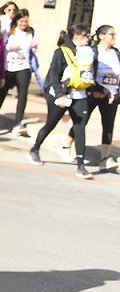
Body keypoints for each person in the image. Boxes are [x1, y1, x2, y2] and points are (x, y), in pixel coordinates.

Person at [29, 25, 97, 179]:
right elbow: (53, 74)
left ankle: (81, 166)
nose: (89, 39)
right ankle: (34, 149)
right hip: (60, 95)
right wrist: (59, 94)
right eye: (87, 35)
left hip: (79, 95)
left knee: (80, 128)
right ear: (78, 36)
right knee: (51, 124)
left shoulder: (88, 52)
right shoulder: (62, 51)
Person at [0, 9, 36, 136]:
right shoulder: (9, 31)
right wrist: (9, 47)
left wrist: (34, 46)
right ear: (16, 21)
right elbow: (1, 44)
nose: (24, 24)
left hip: (23, 67)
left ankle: (18, 123)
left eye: (26, 21)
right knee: (2, 93)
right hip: (8, 67)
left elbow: (33, 47)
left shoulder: (31, 32)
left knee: (22, 95)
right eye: (21, 21)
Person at [90, 24, 119, 172]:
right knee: (82, 120)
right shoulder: (94, 52)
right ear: (101, 36)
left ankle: (104, 158)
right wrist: (96, 89)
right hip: (95, 92)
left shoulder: (116, 52)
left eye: (115, 35)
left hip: (112, 95)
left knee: (108, 126)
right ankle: (66, 145)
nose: (114, 37)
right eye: (111, 34)